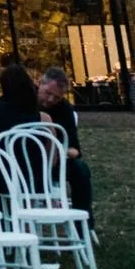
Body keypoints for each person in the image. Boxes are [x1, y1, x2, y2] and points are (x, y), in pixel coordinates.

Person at [37, 67, 94, 214]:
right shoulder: (24, 103)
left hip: (54, 162)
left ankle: (83, 222)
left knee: (81, 169)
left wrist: (58, 150)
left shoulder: (64, 110)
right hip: (24, 160)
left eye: (57, 97)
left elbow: (75, 150)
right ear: (39, 83)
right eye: (48, 93)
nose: (51, 100)